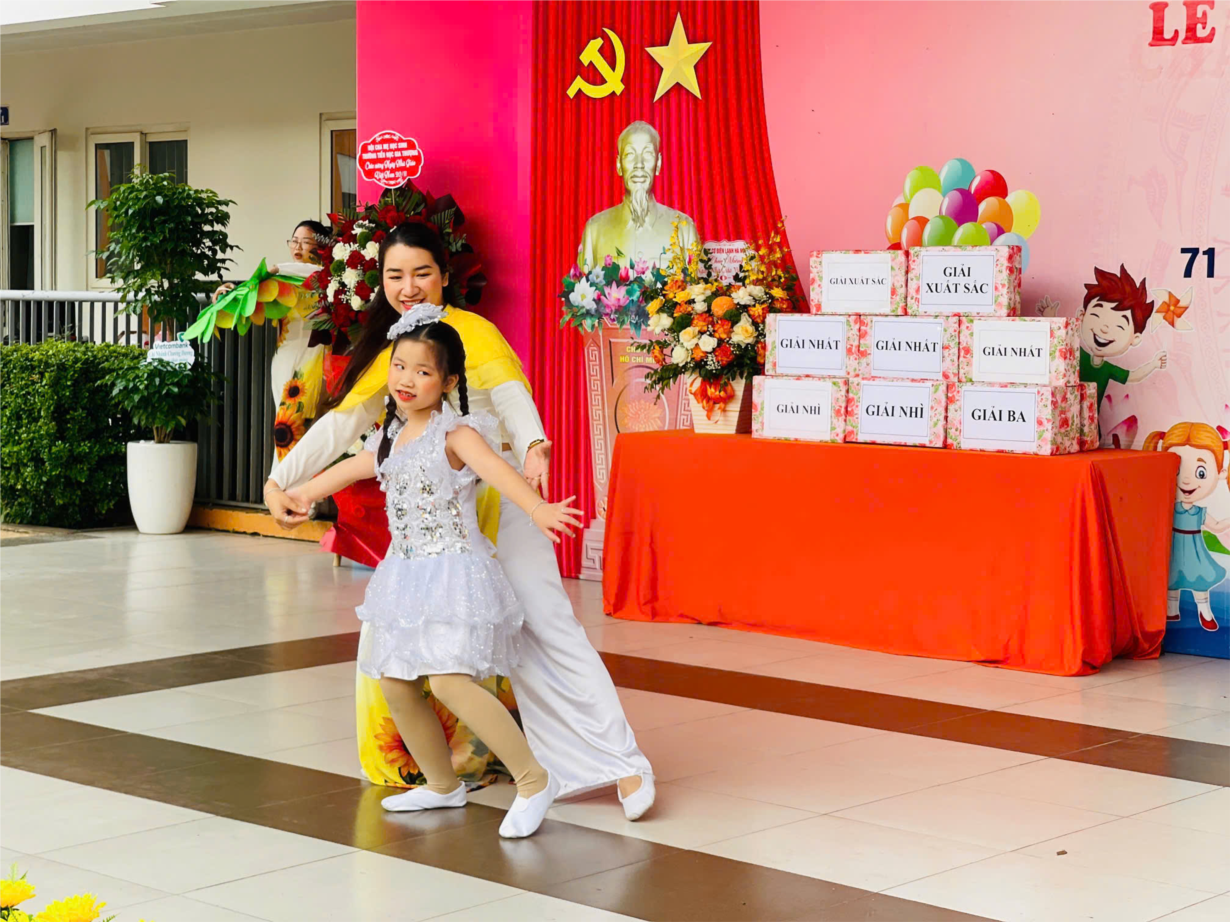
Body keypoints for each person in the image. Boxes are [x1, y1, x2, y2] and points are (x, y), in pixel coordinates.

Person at [266, 222, 656, 820]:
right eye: (395, 275)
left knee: (547, 628)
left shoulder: (472, 333)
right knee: (401, 660)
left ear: (445, 276)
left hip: (502, 502)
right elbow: (345, 428)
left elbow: (512, 396)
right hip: (431, 533)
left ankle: (622, 764)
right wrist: (281, 482)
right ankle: (443, 774)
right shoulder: (395, 349)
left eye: (421, 272)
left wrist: (535, 444)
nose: (408, 286)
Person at [287, 307, 578, 838]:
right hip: (406, 574)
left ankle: (535, 781)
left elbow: (498, 470)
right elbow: (351, 468)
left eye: (422, 371)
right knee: (396, 682)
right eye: (399, 367)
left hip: (451, 573)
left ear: (447, 382)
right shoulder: (389, 437)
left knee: (447, 681)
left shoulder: (456, 434)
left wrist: (537, 509)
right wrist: (301, 492)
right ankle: (443, 785)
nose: (406, 379)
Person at [213, 219, 335, 463]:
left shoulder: (327, 278)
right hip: (284, 359)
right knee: (288, 427)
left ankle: (286, 483)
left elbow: (307, 272)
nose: (297, 247)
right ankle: (288, 484)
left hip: (315, 359)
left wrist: (275, 269)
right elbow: (249, 302)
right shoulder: (280, 280)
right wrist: (226, 296)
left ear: (321, 247)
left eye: (306, 242)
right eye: (294, 241)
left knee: (294, 428)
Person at [577, 120, 698, 269]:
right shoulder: (594, 230)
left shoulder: (684, 229)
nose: (639, 164)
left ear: (658, 163)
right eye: (630, 154)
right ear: (619, 165)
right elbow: (581, 280)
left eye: (647, 154)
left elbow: (697, 283)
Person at [1145, 422, 1230, 632]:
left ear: (1220, 472)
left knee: (1199, 582)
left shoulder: (1199, 512)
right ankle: (1171, 611)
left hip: (1194, 552)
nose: (1185, 479)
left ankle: (1205, 613)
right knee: (1172, 580)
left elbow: (1216, 526)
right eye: (1177, 469)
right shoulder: (1167, 506)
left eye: (1201, 472)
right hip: (1172, 548)